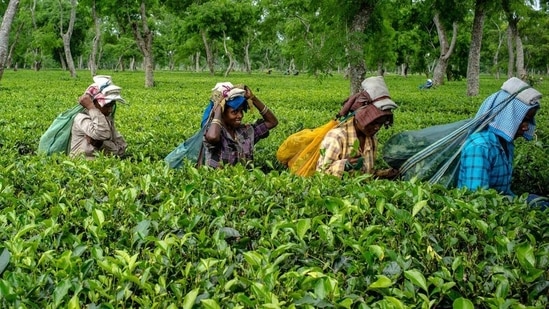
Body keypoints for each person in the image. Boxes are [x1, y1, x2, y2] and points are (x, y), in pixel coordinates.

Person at [457, 77, 548, 210]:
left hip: (503, 203)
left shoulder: (505, 143)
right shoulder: (480, 147)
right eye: (524, 120)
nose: (526, 127)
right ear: (507, 117)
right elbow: (476, 201)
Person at [316, 76, 399, 179]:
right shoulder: (337, 137)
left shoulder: (371, 139)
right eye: (373, 123)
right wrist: (344, 165)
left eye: (380, 123)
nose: (377, 128)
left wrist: (384, 173)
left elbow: (366, 174)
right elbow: (321, 173)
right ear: (359, 117)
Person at [203, 82, 278, 168]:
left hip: (245, 180)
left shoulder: (246, 131)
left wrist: (253, 98)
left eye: (241, 111)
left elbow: (272, 122)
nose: (240, 115)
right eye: (234, 112)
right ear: (222, 114)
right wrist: (219, 108)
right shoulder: (215, 132)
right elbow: (212, 137)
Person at [70, 76, 127, 159]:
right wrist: (91, 108)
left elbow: (121, 148)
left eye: (112, 105)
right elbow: (101, 134)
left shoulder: (106, 120)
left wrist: (102, 145)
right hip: (81, 166)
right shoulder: (81, 118)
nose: (110, 110)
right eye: (106, 106)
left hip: (104, 166)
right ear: (94, 103)